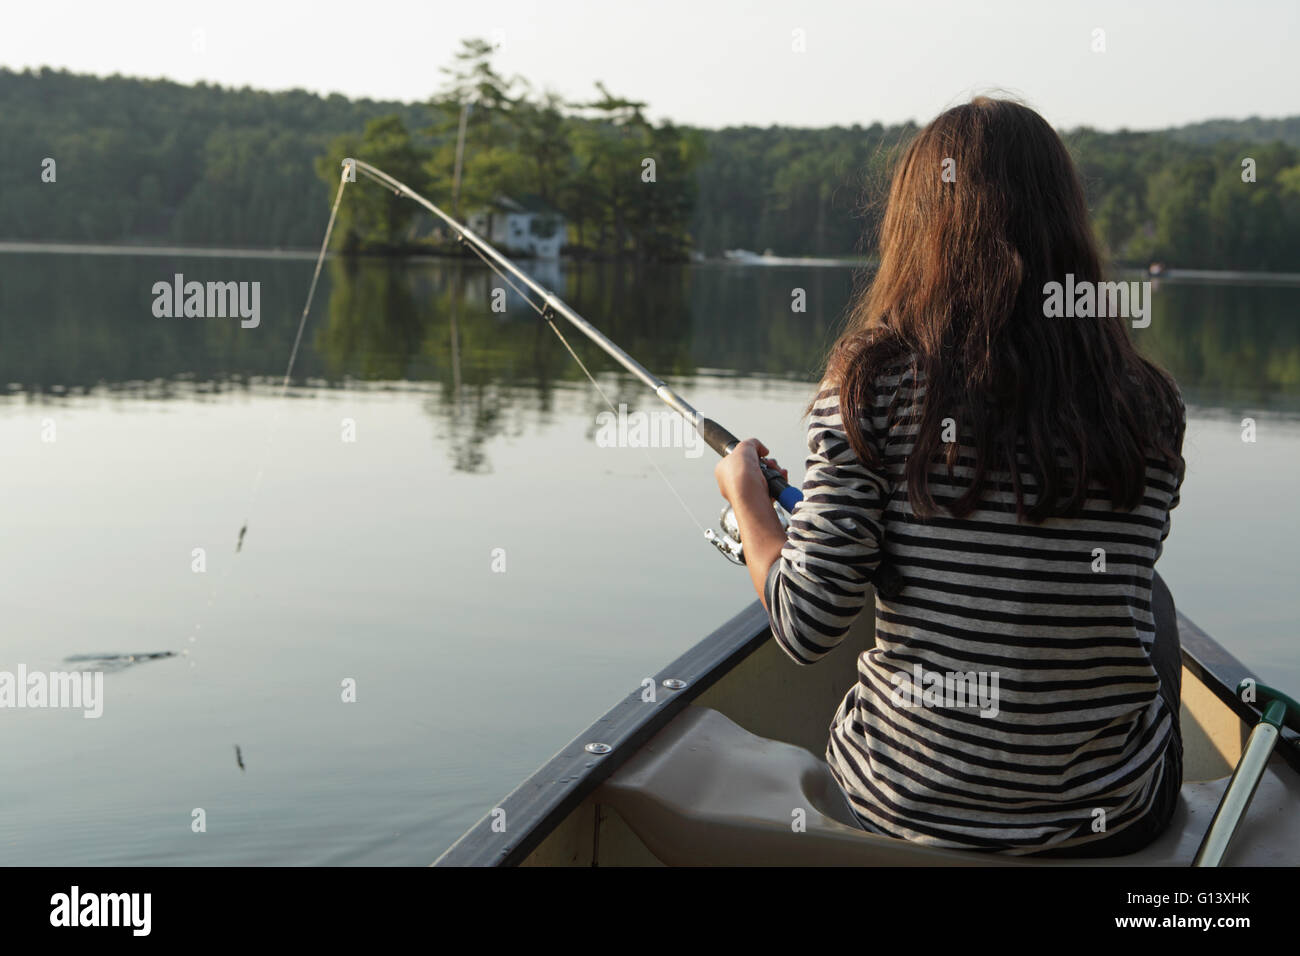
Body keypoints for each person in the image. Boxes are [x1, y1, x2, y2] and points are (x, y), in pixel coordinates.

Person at [714, 97, 1187, 856]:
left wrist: (750, 506)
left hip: (904, 810)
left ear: (916, 226)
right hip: (1105, 827)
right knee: (1155, 602)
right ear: (1067, 222)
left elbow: (806, 625)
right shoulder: (1149, 403)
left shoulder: (872, 383)